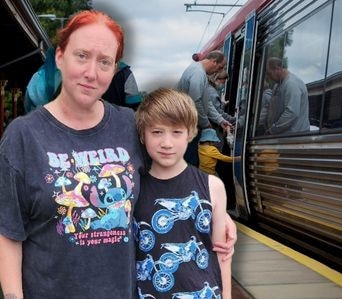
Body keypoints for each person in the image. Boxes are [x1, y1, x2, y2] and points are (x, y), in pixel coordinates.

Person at [0, 10, 236, 299]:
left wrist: (219, 217)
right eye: (81, 56)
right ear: (60, 57)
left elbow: (169, 179)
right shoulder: (23, 136)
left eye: (104, 62)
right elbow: (8, 232)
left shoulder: (128, 125)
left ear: (114, 70)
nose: (91, 73)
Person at [134, 88, 232, 298]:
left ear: (190, 133)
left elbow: (223, 254)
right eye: (157, 132)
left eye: (176, 132)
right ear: (143, 135)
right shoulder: (132, 188)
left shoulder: (213, 186)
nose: (167, 143)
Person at [177, 50, 231, 166]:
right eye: (220, 67)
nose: (219, 71)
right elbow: (195, 101)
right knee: (190, 163)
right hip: (189, 126)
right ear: (214, 62)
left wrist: (220, 120)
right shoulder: (198, 74)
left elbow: (206, 102)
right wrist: (206, 123)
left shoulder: (198, 71)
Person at [264, 57, 310, 134]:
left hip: (294, 137)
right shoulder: (277, 86)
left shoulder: (291, 84)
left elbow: (291, 113)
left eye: (269, 74)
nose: (269, 78)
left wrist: (273, 130)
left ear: (277, 69)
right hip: (281, 135)